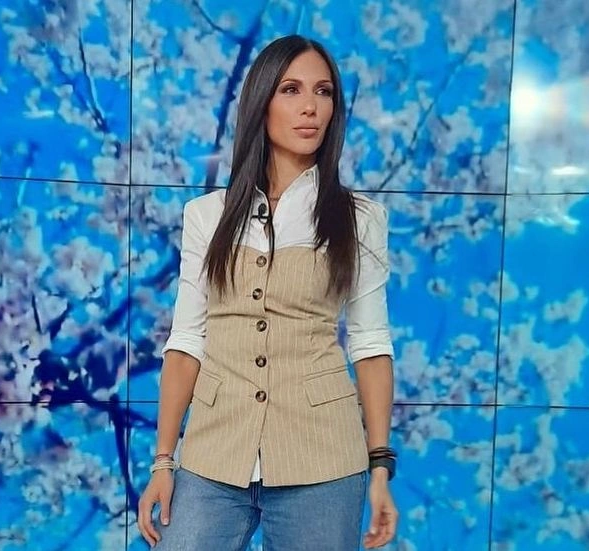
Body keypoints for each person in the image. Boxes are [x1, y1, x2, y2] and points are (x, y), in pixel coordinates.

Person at [137, 34, 399, 550]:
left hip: (323, 457)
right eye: (291, 90)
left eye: (323, 92)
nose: (310, 107)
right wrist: (164, 461)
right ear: (261, 101)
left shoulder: (360, 218)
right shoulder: (206, 216)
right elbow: (186, 343)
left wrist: (379, 467)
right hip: (214, 451)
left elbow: (370, 345)